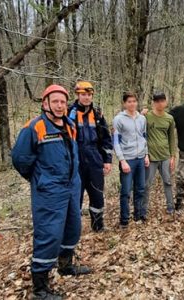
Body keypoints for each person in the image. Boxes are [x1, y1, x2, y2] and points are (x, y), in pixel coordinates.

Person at [12, 84, 90, 300]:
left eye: (63, 102)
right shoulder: (34, 127)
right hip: (49, 190)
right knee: (49, 234)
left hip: (71, 186)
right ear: (45, 103)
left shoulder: (69, 124)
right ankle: (40, 288)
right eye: (55, 101)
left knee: (72, 227)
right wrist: (39, 178)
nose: (59, 105)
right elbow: (20, 159)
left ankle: (66, 265)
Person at [67, 80, 112, 231]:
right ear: (77, 95)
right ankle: (74, 230)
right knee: (75, 198)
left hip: (94, 160)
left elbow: (106, 139)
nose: (86, 98)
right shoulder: (68, 113)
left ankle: (98, 226)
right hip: (76, 162)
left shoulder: (97, 114)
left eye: (89, 95)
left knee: (97, 195)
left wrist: (107, 161)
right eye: (83, 95)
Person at [113, 92, 149, 228]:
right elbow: (116, 142)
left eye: (134, 101)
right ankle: (124, 219)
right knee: (126, 191)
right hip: (127, 159)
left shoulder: (142, 119)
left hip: (140, 158)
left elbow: (144, 137)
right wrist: (122, 161)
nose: (132, 104)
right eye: (129, 101)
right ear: (124, 103)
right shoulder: (119, 119)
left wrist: (146, 155)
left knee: (140, 189)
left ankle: (138, 214)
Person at [144, 92, 177, 215]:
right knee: (147, 183)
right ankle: (144, 208)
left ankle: (170, 207)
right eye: (157, 101)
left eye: (162, 101)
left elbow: (172, 138)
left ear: (166, 102)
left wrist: (173, 156)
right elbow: (142, 135)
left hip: (165, 156)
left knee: (168, 181)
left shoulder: (169, 118)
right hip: (151, 157)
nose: (160, 103)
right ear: (153, 102)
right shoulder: (147, 117)